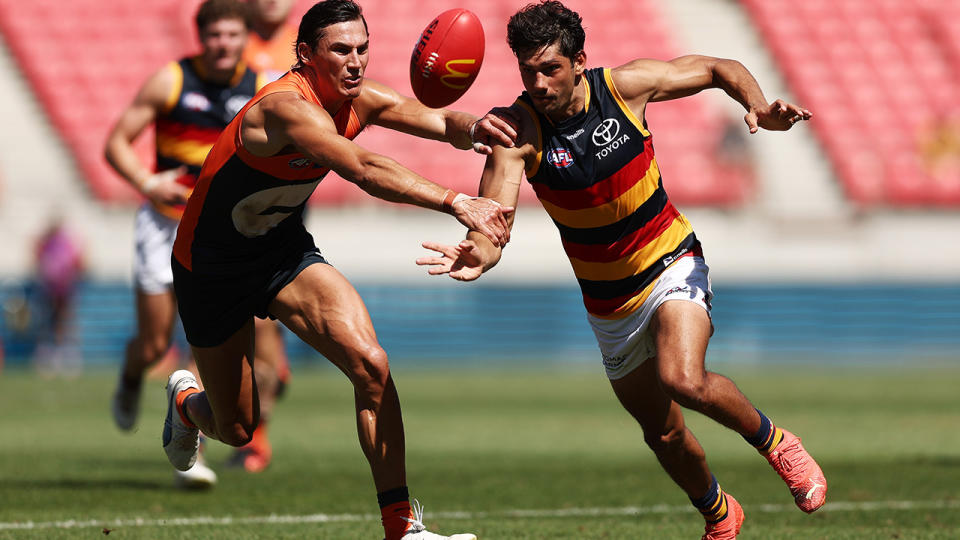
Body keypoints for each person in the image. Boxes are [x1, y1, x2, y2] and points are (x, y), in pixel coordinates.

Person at [417, 2, 826, 539]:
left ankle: (778, 444)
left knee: (682, 377)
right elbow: (495, 223)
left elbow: (718, 67)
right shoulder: (516, 134)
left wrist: (757, 106)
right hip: (609, 304)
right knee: (663, 435)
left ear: (579, 61)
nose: (538, 84)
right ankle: (719, 513)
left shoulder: (626, 87)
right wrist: (479, 252)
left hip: (670, 259)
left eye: (550, 69)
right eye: (527, 71)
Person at [162, 1, 514, 539]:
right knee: (236, 427)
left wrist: (479, 127)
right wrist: (456, 201)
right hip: (211, 267)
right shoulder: (284, 108)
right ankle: (187, 405)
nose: (356, 62)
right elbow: (363, 168)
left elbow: (442, 120)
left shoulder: (360, 99)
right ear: (306, 54)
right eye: (341, 50)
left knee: (371, 364)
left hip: (280, 251)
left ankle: (401, 527)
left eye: (362, 49)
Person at [105, 0, 266, 489]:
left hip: (220, 236)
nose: (224, 44)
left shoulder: (262, 89)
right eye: (215, 35)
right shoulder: (171, 81)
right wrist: (148, 182)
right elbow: (116, 143)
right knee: (155, 344)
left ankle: (189, 451)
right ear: (201, 37)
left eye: (233, 35)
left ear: (245, 37)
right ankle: (132, 377)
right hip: (163, 224)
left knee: (208, 343)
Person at [222, 0, 300, 474]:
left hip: (283, 189)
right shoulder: (232, 41)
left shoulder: (308, 43)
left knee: (258, 318)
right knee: (233, 327)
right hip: (236, 190)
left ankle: (255, 441)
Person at [33, 216, 85, 376]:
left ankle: (65, 356)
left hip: (64, 288)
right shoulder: (47, 243)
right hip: (51, 289)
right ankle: (50, 356)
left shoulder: (64, 244)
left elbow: (78, 262)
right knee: (50, 322)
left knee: (64, 323)